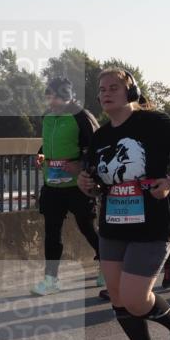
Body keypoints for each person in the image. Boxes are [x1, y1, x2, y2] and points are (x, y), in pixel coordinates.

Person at [77, 67, 170, 340]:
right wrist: (85, 183)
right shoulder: (101, 135)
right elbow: (96, 179)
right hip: (114, 221)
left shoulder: (154, 123)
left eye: (114, 88)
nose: (106, 93)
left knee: (135, 298)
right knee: (118, 297)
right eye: (102, 89)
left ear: (130, 92)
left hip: (154, 219)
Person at [32, 77, 101, 296]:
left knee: (87, 227)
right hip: (52, 183)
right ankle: (51, 279)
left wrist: (81, 165)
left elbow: (96, 147)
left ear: (67, 96)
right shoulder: (47, 116)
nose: (51, 101)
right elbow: (47, 143)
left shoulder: (81, 116)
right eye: (49, 96)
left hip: (77, 184)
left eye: (54, 96)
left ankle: (107, 266)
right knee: (52, 232)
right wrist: (40, 155)